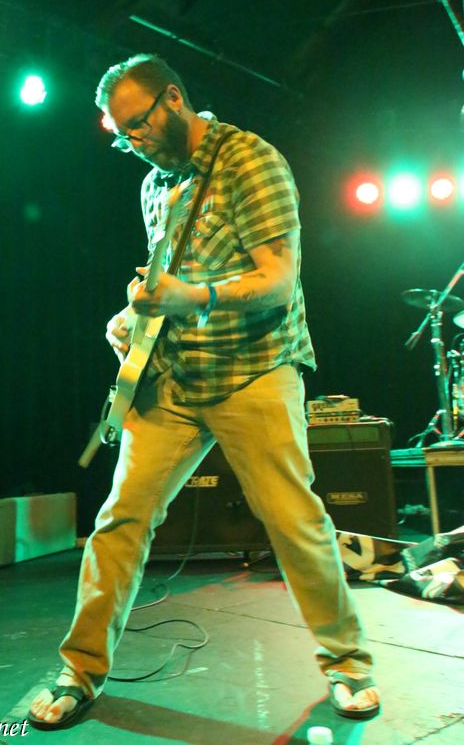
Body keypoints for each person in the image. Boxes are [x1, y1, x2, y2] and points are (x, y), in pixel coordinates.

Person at [27, 53, 381, 730]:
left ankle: (349, 664)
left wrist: (193, 298)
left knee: (294, 523)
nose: (132, 141)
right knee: (119, 522)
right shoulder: (153, 185)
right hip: (175, 379)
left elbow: (278, 281)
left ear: (173, 99)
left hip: (255, 370)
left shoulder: (251, 161)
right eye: (121, 135)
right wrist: (133, 316)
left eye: (137, 124)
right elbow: (170, 275)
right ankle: (80, 671)